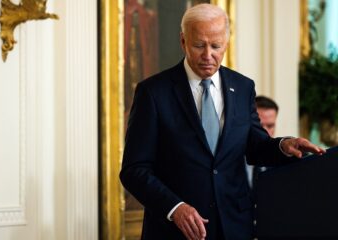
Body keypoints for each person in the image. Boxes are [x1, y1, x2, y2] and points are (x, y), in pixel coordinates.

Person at [119, 3, 325, 240]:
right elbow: (134, 170)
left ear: (226, 43)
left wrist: (283, 145)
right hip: (175, 231)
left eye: (216, 46)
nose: (208, 55)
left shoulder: (243, 87)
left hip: (234, 226)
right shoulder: (153, 92)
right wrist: (174, 208)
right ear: (183, 41)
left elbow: (254, 145)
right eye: (199, 45)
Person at [246, 96, 279, 188]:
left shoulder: (280, 161)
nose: (264, 132)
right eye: (259, 125)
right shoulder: (228, 158)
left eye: (270, 126)